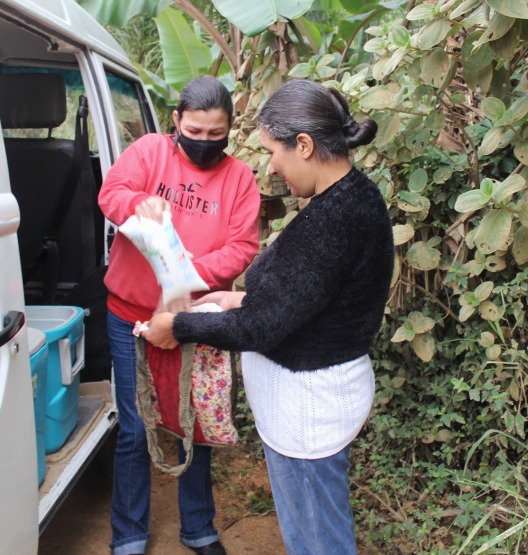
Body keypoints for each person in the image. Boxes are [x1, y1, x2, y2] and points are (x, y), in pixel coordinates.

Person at [142, 79, 394, 555]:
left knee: (319, 541)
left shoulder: (333, 220)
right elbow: (308, 299)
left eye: (274, 151)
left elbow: (260, 328)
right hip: (308, 404)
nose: (272, 166)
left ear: (304, 144)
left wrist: (177, 326)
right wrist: (236, 300)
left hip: (310, 412)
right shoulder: (350, 197)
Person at [98, 75, 261, 555]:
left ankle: (199, 528)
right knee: (134, 426)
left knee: (197, 424)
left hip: (198, 319)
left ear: (230, 127)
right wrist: (137, 202)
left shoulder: (240, 177)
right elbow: (111, 194)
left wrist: (184, 274)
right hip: (130, 314)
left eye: (216, 134)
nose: (205, 142)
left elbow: (242, 247)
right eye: (195, 131)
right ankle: (128, 534)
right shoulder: (149, 152)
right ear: (176, 121)